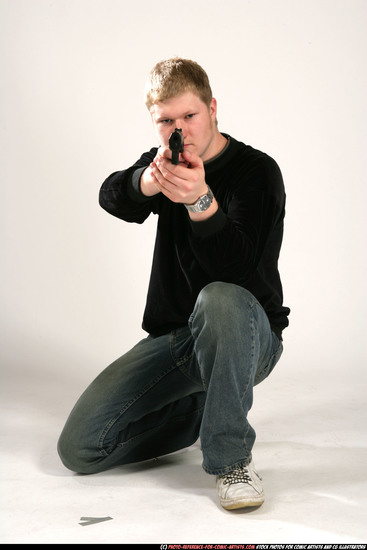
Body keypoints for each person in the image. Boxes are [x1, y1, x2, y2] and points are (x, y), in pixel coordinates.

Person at [57, 57, 290, 510]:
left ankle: (230, 460)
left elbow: (238, 273)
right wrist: (147, 182)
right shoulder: (165, 162)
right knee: (80, 450)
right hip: (177, 340)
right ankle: (206, 411)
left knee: (218, 297)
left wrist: (200, 201)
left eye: (189, 116)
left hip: (247, 336)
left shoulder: (256, 171)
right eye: (165, 120)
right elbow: (111, 196)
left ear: (213, 108)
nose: (179, 128)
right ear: (154, 122)